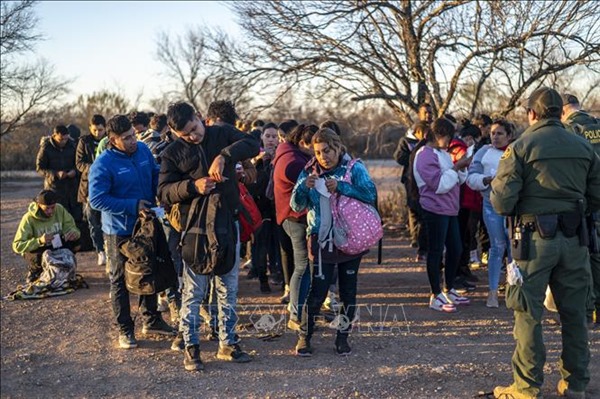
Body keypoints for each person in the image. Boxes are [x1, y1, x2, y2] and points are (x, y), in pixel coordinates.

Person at [491, 87, 600, 399]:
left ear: (532, 114)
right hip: (576, 239)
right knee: (575, 313)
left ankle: (526, 387)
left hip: (533, 243)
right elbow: (597, 195)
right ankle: (576, 384)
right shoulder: (583, 145)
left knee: (528, 313)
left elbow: (501, 201)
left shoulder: (521, 146)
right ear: (560, 112)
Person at [159, 101, 259, 371]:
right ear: (175, 133)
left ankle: (228, 343)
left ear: (199, 117)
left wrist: (225, 155)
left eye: (194, 129)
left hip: (229, 223)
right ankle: (191, 346)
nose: (193, 136)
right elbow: (164, 192)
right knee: (194, 292)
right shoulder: (172, 153)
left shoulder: (222, 132)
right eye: (185, 135)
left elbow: (253, 143)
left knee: (229, 289)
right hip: (195, 230)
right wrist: (193, 186)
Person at [89, 114, 174, 350]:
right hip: (119, 230)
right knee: (119, 280)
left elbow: (155, 174)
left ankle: (152, 319)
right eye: (126, 138)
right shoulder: (103, 164)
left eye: (133, 135)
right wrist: (132, 206)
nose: (132, 140)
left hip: (147, 226)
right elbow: (96, 199)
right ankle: (125, 329)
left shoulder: (144, 151)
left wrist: (165, 191)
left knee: (150, 271)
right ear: (113, 139)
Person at [291, 128, 376, 356]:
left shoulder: (354, 168)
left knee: (348, 290)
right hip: (320, 238)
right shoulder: (309, 171)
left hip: (349, 236)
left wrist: (342, 187)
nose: (322, 156)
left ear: (337, 147)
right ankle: (304, 337)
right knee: (317, 291)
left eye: (327, 150)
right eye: (318, 152)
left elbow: (370, 194)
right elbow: (296, 206)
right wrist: (302, 188)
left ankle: (342, 337)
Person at [413, 118, 471, 313]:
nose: (451, 141)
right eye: (449, 136)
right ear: (438, 135)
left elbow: (456, 180)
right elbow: (439, 185)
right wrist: (456, 167)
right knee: (436, 251)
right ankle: (435, 293)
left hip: (450, 209)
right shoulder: (424, 155)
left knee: (456, 248)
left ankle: (449, 287)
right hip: (434, 209)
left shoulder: (442, 154)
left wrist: (461, 167)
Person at [561, 92, 600, 328]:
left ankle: (588, 309)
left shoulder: (568, 130)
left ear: (564, 110)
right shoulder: (597, 124)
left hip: (583, 199)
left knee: (584, 254)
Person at [467, 119, 515, 308]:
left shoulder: (517, 150)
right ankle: (492, 292)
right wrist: (486, 179)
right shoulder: (484, 151)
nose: (495, 136)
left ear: (509, 136)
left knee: (514, 248)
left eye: (500, 133)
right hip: (491, 204)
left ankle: (512, 290)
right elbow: (471, 177)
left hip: (514, 207)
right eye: (493, 133)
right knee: (497, 247)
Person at [273, 124, 317, 329]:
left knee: (303, 266)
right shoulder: (293, 162)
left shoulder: (287, 154)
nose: (316, 151)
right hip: (295, 218)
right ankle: (296, 315)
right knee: (302, 267)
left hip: (290, 217)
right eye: (313, 146)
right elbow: (310, 187)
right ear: (302, 143)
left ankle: (298, 311)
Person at [12, 190, 81, 283]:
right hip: (39, 248)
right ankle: (35, 270)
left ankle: (61, 266)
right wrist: (39, 241)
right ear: (39, 205)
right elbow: (17, 246)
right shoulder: (28, 218)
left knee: (78, 242)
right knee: (37, 257)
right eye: (47, 208)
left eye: (53, 207)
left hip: (56, 244)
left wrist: (73, 233)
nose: (50, 211)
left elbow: (72, 227)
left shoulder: (60, 209)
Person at [394, 103, 432, 261]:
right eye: (425, 112)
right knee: (413, 210)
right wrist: (413, 156)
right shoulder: (407, 139)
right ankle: (415, 239)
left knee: (423, 212)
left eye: (430, 112)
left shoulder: (433, 136)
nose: (428, 115)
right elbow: (398, 157)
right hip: (410, 179)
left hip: (426, 180)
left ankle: (422, 244)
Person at [76, 115, 107, 267]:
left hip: (107, 186)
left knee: (108, 221)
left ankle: (109, 247)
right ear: (90, 128)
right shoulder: (84, 141)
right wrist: (94, 168)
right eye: (94, 130)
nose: (97, 133)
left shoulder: (109, 140)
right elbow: (79, 163)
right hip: (88, 186)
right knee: (93, 222)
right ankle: (100, 250)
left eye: (100, 130)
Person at [36, 125, 82, 222]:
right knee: (58, 219)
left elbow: (79, 164)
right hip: (54, 189)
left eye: (66, 139)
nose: (63, 142)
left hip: (72, 189)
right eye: (60, 139)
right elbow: (40, 169)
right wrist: (55, 173)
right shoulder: (46, 148)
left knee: (76, 219)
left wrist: (75, 172)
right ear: (54, 135)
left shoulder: (73, 145)